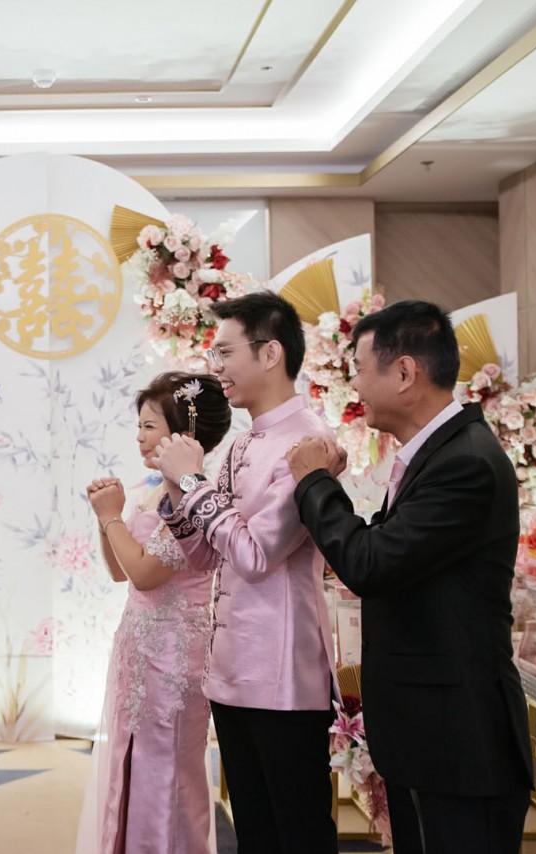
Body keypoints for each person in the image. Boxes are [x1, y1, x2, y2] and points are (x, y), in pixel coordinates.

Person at [286, 299, 532, 854]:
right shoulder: (437, 454)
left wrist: (314, 483)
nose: (354, 385)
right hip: (430, 734)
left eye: (359, 369)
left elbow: (370, 563)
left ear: (403, 373)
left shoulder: (464, 462)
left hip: (461, 740)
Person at [154, 292, 339, 853]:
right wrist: (176, 489)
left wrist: (193, 484)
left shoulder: (309, 443)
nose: (216, 367)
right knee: (254, 831)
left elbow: (257, 556)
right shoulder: (240, 444)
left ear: (270, 353)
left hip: (281, 673)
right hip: (231, 668)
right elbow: (208, 557)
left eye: (225, 352)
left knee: (297, 833)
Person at [76, 371, 230, 854]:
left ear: (184, 432)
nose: (139, 437)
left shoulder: (195, 499)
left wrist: (110, 516)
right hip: (139, 648)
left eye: (148, 426)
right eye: (138, 426)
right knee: (132, 761)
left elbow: (145, 574)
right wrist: (106, 520)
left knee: (168, 773)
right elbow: (120, 572)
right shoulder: (154, 493)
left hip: (174, 656)